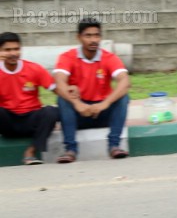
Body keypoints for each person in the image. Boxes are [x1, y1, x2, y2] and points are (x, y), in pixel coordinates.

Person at [53, 18, 132, 162]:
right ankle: (70, 150)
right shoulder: (67, 57)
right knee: (63, 99)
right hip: (79, 113)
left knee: (124, 97)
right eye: (88, 36)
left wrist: (105, 103)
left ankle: (114, 146)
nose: (93, 40)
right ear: (79, 37)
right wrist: (77, 104)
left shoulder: (109, 58)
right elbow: (59, 82)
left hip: (102, 111)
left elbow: (125, 81)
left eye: (96, 35)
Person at [0, 32, 60, 165]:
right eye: (7, 50)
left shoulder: (34, 69)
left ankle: (31, 152)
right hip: (7, 122)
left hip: (31, 119)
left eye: (16, 49)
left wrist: (70, 91)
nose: (13, 53)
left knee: (51, 111)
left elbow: (57, 90)